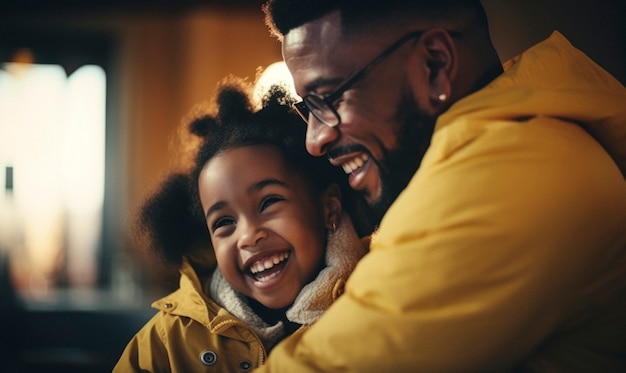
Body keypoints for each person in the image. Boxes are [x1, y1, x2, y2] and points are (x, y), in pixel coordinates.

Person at [255, 0, 626, 371]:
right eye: (307, 108)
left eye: (329, 97)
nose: (314, 140)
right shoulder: (517, 135)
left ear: (434, 65)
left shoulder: (501, 178)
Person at [113, 79, 372, 373]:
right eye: (224, 222)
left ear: (329, 207)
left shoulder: (378, 303)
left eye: (269, 202)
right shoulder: (165, 344)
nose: (249, 235)